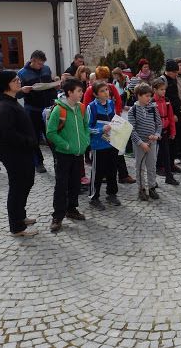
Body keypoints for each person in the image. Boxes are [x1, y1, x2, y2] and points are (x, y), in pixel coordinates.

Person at [0, 70, 39, 237]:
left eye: (18, 79)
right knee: (18, 187)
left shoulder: (11, 100)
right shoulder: (3, 106)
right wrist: (29, 141)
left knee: (26, 183)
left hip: (23, 151)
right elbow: (9, 133)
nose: (19, 82)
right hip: (14, 153)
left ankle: (21, 216)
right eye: (15, 80)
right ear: (6, 85)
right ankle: (16, 227)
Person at [46, 79, 90, 233]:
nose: (81, 93)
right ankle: (57, 216)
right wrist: (65, 145)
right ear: (69, 92)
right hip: (64, 154)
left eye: (81, 90)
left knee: (75, 183)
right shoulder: (59, 110)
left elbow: (86, 127)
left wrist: (85, 142)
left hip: (78, 153)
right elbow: (50, 132)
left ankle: (72, 208)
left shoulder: (82, 108)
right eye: (78, 91)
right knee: (61, 185)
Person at [84, 66, 134, 184]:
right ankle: (103, 177)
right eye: (101, 78)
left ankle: (123, 175)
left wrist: (116, 117)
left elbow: (117, 101)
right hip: (99, 128)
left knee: (117, 149)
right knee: (102, 155)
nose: (104, 81)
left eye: (106, 78)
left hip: (113, 124)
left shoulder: (111, 87)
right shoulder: (91, 90)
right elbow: (86, 107)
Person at [17, 50, 58, 173]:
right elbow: (17, 94)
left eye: (42, 63)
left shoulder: (46, 69)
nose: (41, 66)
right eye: (39, 64)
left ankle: (58, 160)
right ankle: (38, 162)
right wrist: (23, 91)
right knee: (34, 138)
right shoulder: (21, 73)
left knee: (52, 135)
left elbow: (50, 85)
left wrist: (55, 85)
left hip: (48, 108)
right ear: (32, 61)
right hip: (32, 109)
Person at [86, 81, 122, 209]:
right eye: (102, 91)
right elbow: (87, 128)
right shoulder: (91, 107)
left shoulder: (111, 103)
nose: (106, 92)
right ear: (95, 94)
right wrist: (102, 129)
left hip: (112, 143)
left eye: (106, 90)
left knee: (112, 170)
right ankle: (93, 197)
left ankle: (111, 194)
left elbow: (114, 120)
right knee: (98, 172)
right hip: (98, 145)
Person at [128, 83, 162, 201]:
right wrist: (141, 143)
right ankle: (141, 189)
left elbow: (159, 124)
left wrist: (156, 135)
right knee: (140, 167)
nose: (149, 98)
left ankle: (152, 187)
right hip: (139, 145)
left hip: (152, 143)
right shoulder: (132, 111)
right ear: (138, 96)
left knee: (152, 166)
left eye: (150, 96)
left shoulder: (153, 108)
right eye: (146, 96)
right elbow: (131, 130)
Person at [151, 77, 179, 186]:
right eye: (161, 89)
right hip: (154, 133)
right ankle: (152, 179)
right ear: (155, 90)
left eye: (164, 89)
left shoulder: (167, 100)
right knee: (152, 157)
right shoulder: (152, 102)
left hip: (165, 131)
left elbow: (171, 117)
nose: (163, 91)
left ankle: (169, 176)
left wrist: (173, 131)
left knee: (166, 156)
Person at [160, 60, 181, 173]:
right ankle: (163, 166)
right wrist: (173, 114)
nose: (176, 74)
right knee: (167, 142)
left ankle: (171, 163)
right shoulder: (162, 81)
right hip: (169, 115)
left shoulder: (173, 79)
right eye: (174, 72)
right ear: (168, 71)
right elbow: (164, 100)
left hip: (176, 112)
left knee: (175, 140)